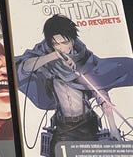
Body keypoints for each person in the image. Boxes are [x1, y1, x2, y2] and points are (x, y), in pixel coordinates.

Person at [16, 14, 133, 156]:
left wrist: (113, 129)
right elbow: (25, 67)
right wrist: (53, 56)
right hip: (63, 127)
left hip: (87, 126)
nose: (61, 48)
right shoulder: (48, 60)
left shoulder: (85, 61)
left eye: (64, 42)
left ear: (72, 40)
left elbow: (100, 92)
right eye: (56, 44)